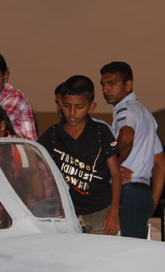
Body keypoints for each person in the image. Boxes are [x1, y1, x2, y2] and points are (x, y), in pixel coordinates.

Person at [38, 75, 121, 235]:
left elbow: (116, 174)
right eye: (66, 106)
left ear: (91, 107)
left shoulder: (100, 132)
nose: (72, 113)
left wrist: (114, 212)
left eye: (79, 107)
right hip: (68, 212)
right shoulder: (52, 135)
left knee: (102, 250)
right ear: (60, 104)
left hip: (101, 211)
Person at [100, 61, 165, 239]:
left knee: (120, 250)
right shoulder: (146, 114)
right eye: (103, 84)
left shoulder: (125, 109)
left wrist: (112, 167)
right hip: (142, 194)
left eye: (111, 83)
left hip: (126, 191)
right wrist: (151, 202)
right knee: (135, 249)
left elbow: (126, 139)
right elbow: (161, 164)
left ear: (128, 85)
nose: (106, 89)